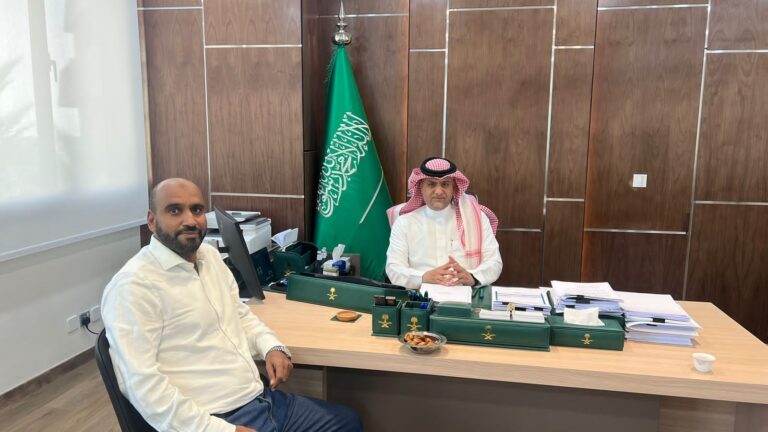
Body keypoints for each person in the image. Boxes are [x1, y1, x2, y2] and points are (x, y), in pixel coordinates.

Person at [102, 178, 361, 432]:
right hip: (212, 418)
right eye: (174, 210)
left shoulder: (209, 257)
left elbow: (239, 315)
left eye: (197, 210)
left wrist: (271, 346)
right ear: (151, 220)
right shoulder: (134, 285)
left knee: (346, 422)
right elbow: (143, 385)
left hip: (260, 400)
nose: (190, 220)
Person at [385, 157, 502, 290]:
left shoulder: (476, 218)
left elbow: (494, 262)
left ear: (454, 188)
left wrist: (473, 277)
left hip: (466, 293)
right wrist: (423, 277)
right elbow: (394, 268)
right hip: (420, 295)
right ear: (421, 187)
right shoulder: (404, 222)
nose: (439, 191)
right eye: (431, 184)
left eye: (445, 184)